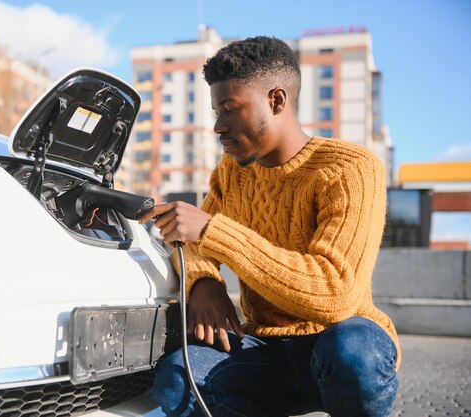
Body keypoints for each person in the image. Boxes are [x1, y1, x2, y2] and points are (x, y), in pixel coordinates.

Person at [139, 36, 400, 417]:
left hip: (339, 338)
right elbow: (190, 242)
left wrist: (215, 233)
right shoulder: (232, 174)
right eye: (216, 111)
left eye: (230, 109)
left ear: (276, 101)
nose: (218, 126)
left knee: (353, 357)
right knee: (178, 380)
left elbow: (335, 292)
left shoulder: (351, 169)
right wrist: (203, 283)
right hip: (267, 351)